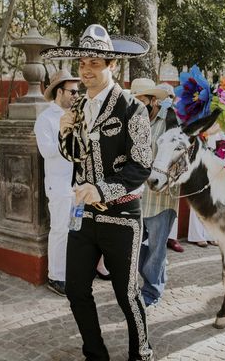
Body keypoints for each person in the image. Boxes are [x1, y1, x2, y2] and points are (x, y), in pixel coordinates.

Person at [43, 24, 154, 361]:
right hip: (84, 215)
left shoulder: (132, 108)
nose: (87, 70)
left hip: (121, 215)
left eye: (95, 63)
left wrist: (100, 189)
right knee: (76, 290)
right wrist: (66, 134)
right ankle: (95, 353)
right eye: (83, 64)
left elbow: (141, 166)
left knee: (127, 294)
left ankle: (142, 353)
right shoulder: (77, 107)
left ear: (111, 66)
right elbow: (77, 157)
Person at [131, 77, 178, 308]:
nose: (138, 106)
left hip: (161, 198)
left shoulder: (170, 121)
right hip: (137, 197)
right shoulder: (134, 124)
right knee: (131, 245)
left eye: (142, 101)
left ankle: (152, 290)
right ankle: (157, 275)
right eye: (135, 101)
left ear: (153, 100)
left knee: (157, 250)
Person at [34, 69, 80, 296]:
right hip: (59, 184)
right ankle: (56, 277)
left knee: (76, 230)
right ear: (59, 91)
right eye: (72, 91)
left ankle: (71, 272)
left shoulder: (77, 115)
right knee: (60, 230)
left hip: (78, 184)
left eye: (77, 92)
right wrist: (64, 133)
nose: (75, 95)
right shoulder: (45, 118)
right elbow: (47, 151)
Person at [157, 83, 184, 254]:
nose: (167, 99)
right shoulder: (153, 115)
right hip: (157, 166)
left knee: (172, 204)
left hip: (172, 167)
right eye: (164, 96)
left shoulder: (177, 116)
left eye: (170, 96)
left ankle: (171, 238)